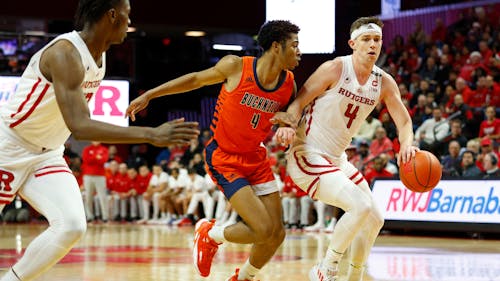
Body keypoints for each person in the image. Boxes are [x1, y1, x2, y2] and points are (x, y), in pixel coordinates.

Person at [0, 1, 199, 280]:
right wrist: (151, 134)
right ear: (112, 15)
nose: (130, 22)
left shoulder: (100, 57)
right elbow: (80, 127)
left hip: (46, 154)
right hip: (9, 145)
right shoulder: (65, 53)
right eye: (128, 14)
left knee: (71, 225)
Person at [126, 20, 301, 281]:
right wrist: (150, 94)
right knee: (263, 230)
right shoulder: (236, 66)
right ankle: (209, 234)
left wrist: (291, 123)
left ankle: (244, 278)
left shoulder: (289, 83)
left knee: (277, 235)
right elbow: (195, 80)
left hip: (256, 157)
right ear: (276, 46)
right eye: (295, 45)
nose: (300, 52)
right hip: (225, 158)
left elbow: (295, 114)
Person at [272, 16, 418, 281]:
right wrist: (289, 124)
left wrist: (407, 144)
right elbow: (299, 100)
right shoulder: (334, 69)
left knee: (375, 218)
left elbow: (404, 121)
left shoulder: (384, 82)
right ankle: (326, 269)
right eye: (366, 40)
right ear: (353, 43)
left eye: (377, 40)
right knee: (360, 206)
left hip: (337, 160)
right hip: (307, 153)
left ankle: (355, 275)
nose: (373, 44)